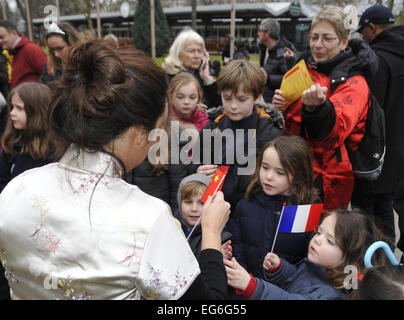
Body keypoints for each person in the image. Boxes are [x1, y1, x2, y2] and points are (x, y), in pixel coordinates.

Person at [0, 40, 231, 300]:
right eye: (159, 129)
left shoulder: (16, 189)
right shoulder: (147, 220)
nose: (159, 138)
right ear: (138, 132)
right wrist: (211, 233)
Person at [272, 7, 378, 212]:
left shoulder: (354, 82)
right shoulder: (306, 69)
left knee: (315, 237)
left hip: (326, 182)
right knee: (289, 234)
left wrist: (317, 110)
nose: (317, 45)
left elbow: (335, 132)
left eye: (327, 38)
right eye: (314, 37)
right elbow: (293, 122)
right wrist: (282, 107)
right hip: (293, 168)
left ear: (344, 42)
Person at [224, 208, 390, 300]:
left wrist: (252, 287)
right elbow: (299, 279)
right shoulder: (320, 267)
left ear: (349, 257)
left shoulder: (335, 295)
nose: (317, 240)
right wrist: (280, 270)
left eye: (330, 241)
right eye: (319, 232)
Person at [227, 135, 320, 282]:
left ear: (298, 175)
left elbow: (305, 259)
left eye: (280, 172)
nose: (268, 176)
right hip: (243, 286)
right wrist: (245, 281)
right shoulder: (246, 205)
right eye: (265, 167)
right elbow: (236, 247)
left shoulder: (303, 211)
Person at [193, 59, 283, 211]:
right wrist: (197, 173)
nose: (233, 106)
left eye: (242, 99)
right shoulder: (212, 127)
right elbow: (194, 165)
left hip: (252, 215)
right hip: (214, 210)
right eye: (227, 98)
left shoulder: (269, 134)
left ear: (257, 97)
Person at [350, 4, 404, 246]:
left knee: (366, 212)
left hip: (374, 151)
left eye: (364, 32)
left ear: (372, 28)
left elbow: (369, 109)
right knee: (386, 207)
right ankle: (388, 266)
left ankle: (372, 268)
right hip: (398, 153)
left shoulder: (378, 61)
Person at [125, 72, 207, 211]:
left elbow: (177, 184)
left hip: (157, 209)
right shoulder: (124, 131)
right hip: (126, 209)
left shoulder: (173, 134)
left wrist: (175, 218)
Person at [0, 82, 52, 192]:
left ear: (37, 112)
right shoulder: (12, 143)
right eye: (12, 107)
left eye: (19, 108)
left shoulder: (54, 149)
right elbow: (2, 178)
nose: (12, 113)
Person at [174, 173, 232, 258]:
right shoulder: (171, 229)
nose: (194, 209)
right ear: (179, 203)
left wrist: (218, 257)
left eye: (202, 203)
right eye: (188, 202)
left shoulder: (220, 238)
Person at [162, 27, 221, 109]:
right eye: (191, 51)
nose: (196, 56)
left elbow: (220, 105)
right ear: (179, 54)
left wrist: (208, 80)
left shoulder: (202, 76)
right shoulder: (168, 79)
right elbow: (166, 112)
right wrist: (191, 110)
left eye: (200, 51)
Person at [258, 18, 297, 103]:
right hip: (265, 96)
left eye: (260, 30)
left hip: (276, 102)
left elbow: (290, 78)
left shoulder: (283, 51)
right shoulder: (263, 48)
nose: (258, 33)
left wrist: (268, 78)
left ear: (267, 33)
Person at [0, 21, 47, 89]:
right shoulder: (15, 51)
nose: (0, 41)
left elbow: (47, 75)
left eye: (2, 37)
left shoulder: (30, 49)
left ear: (14, 33)